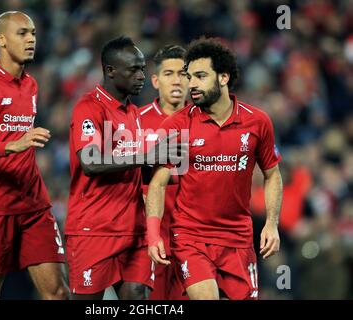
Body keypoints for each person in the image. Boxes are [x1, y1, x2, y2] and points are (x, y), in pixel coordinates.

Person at [146, 37, 283, 300]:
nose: (191, 84)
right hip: (190, 237)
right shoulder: (176, 126)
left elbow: (272, 174)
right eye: (189, 76)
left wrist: (271, 224)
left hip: (238, 240)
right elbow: (158, 183)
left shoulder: (257, 122)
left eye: (200, 76)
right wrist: (153, 235)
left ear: (223, 77)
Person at [0, 11, 68, 300]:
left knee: (58, 292)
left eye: (33, 33)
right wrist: (11, 146)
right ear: (1, 39)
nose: (31, 39)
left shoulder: (31, 84)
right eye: (22, 33)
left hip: (33, 204)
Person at [65, 36, 182, 300]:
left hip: (133, 231)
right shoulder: (89, 108)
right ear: (110, 71)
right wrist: (147, 156)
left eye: (142, 68)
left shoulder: (132, 113)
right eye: (134, 69)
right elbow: (91, 162)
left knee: (137, 295)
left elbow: (140, 169)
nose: (141, 75)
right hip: (94, 230)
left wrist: (180, 167)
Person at [139, 44, 189, 300]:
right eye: (169, 73)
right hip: (152, 235)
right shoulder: (136, 122)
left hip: (194, 236)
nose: (177, 80)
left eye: (182, 73)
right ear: (156, 80)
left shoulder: (205, 121)